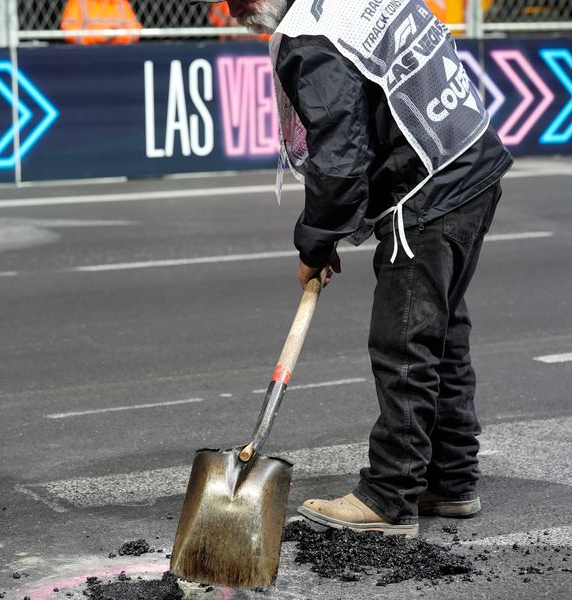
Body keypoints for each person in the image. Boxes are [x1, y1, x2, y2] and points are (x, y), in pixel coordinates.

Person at [192, 0, 513, 537]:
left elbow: (339, 156)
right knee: (442, 337)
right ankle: (452, 481)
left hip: (429, 190)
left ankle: (389, 497)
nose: (233, 13)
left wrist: (315, 245)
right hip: (473, 166)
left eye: (238, 3)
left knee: (403, 344)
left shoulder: (310, 34)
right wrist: (333, 230)